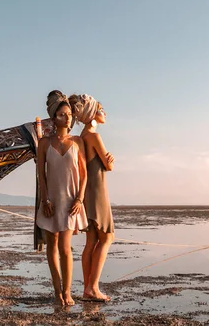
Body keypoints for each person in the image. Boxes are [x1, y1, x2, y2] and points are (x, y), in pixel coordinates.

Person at [36, 90, 88, 306]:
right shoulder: (44, 143)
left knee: (65, 248)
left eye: (68, 114)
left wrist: (80, 199)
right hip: (50, 202)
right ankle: (57, 292)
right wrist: (45, 200)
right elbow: (41, 174)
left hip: (70, 202)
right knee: (52, 246)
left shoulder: (77, 142)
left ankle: (68, 292)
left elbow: (84, 174)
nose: (67, 118)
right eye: (61, 115)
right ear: (53, 118)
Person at [69, 93, 115, 302]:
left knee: (92, 240)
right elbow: (109, 165)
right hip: (97, 190)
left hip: (86, 191)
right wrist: (110, 160)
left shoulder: (81, 138)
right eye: (101, 109)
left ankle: (88, 289)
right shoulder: (94, 137)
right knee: (106, 237)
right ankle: (93, 288)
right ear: (93, 113)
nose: (104, 113)